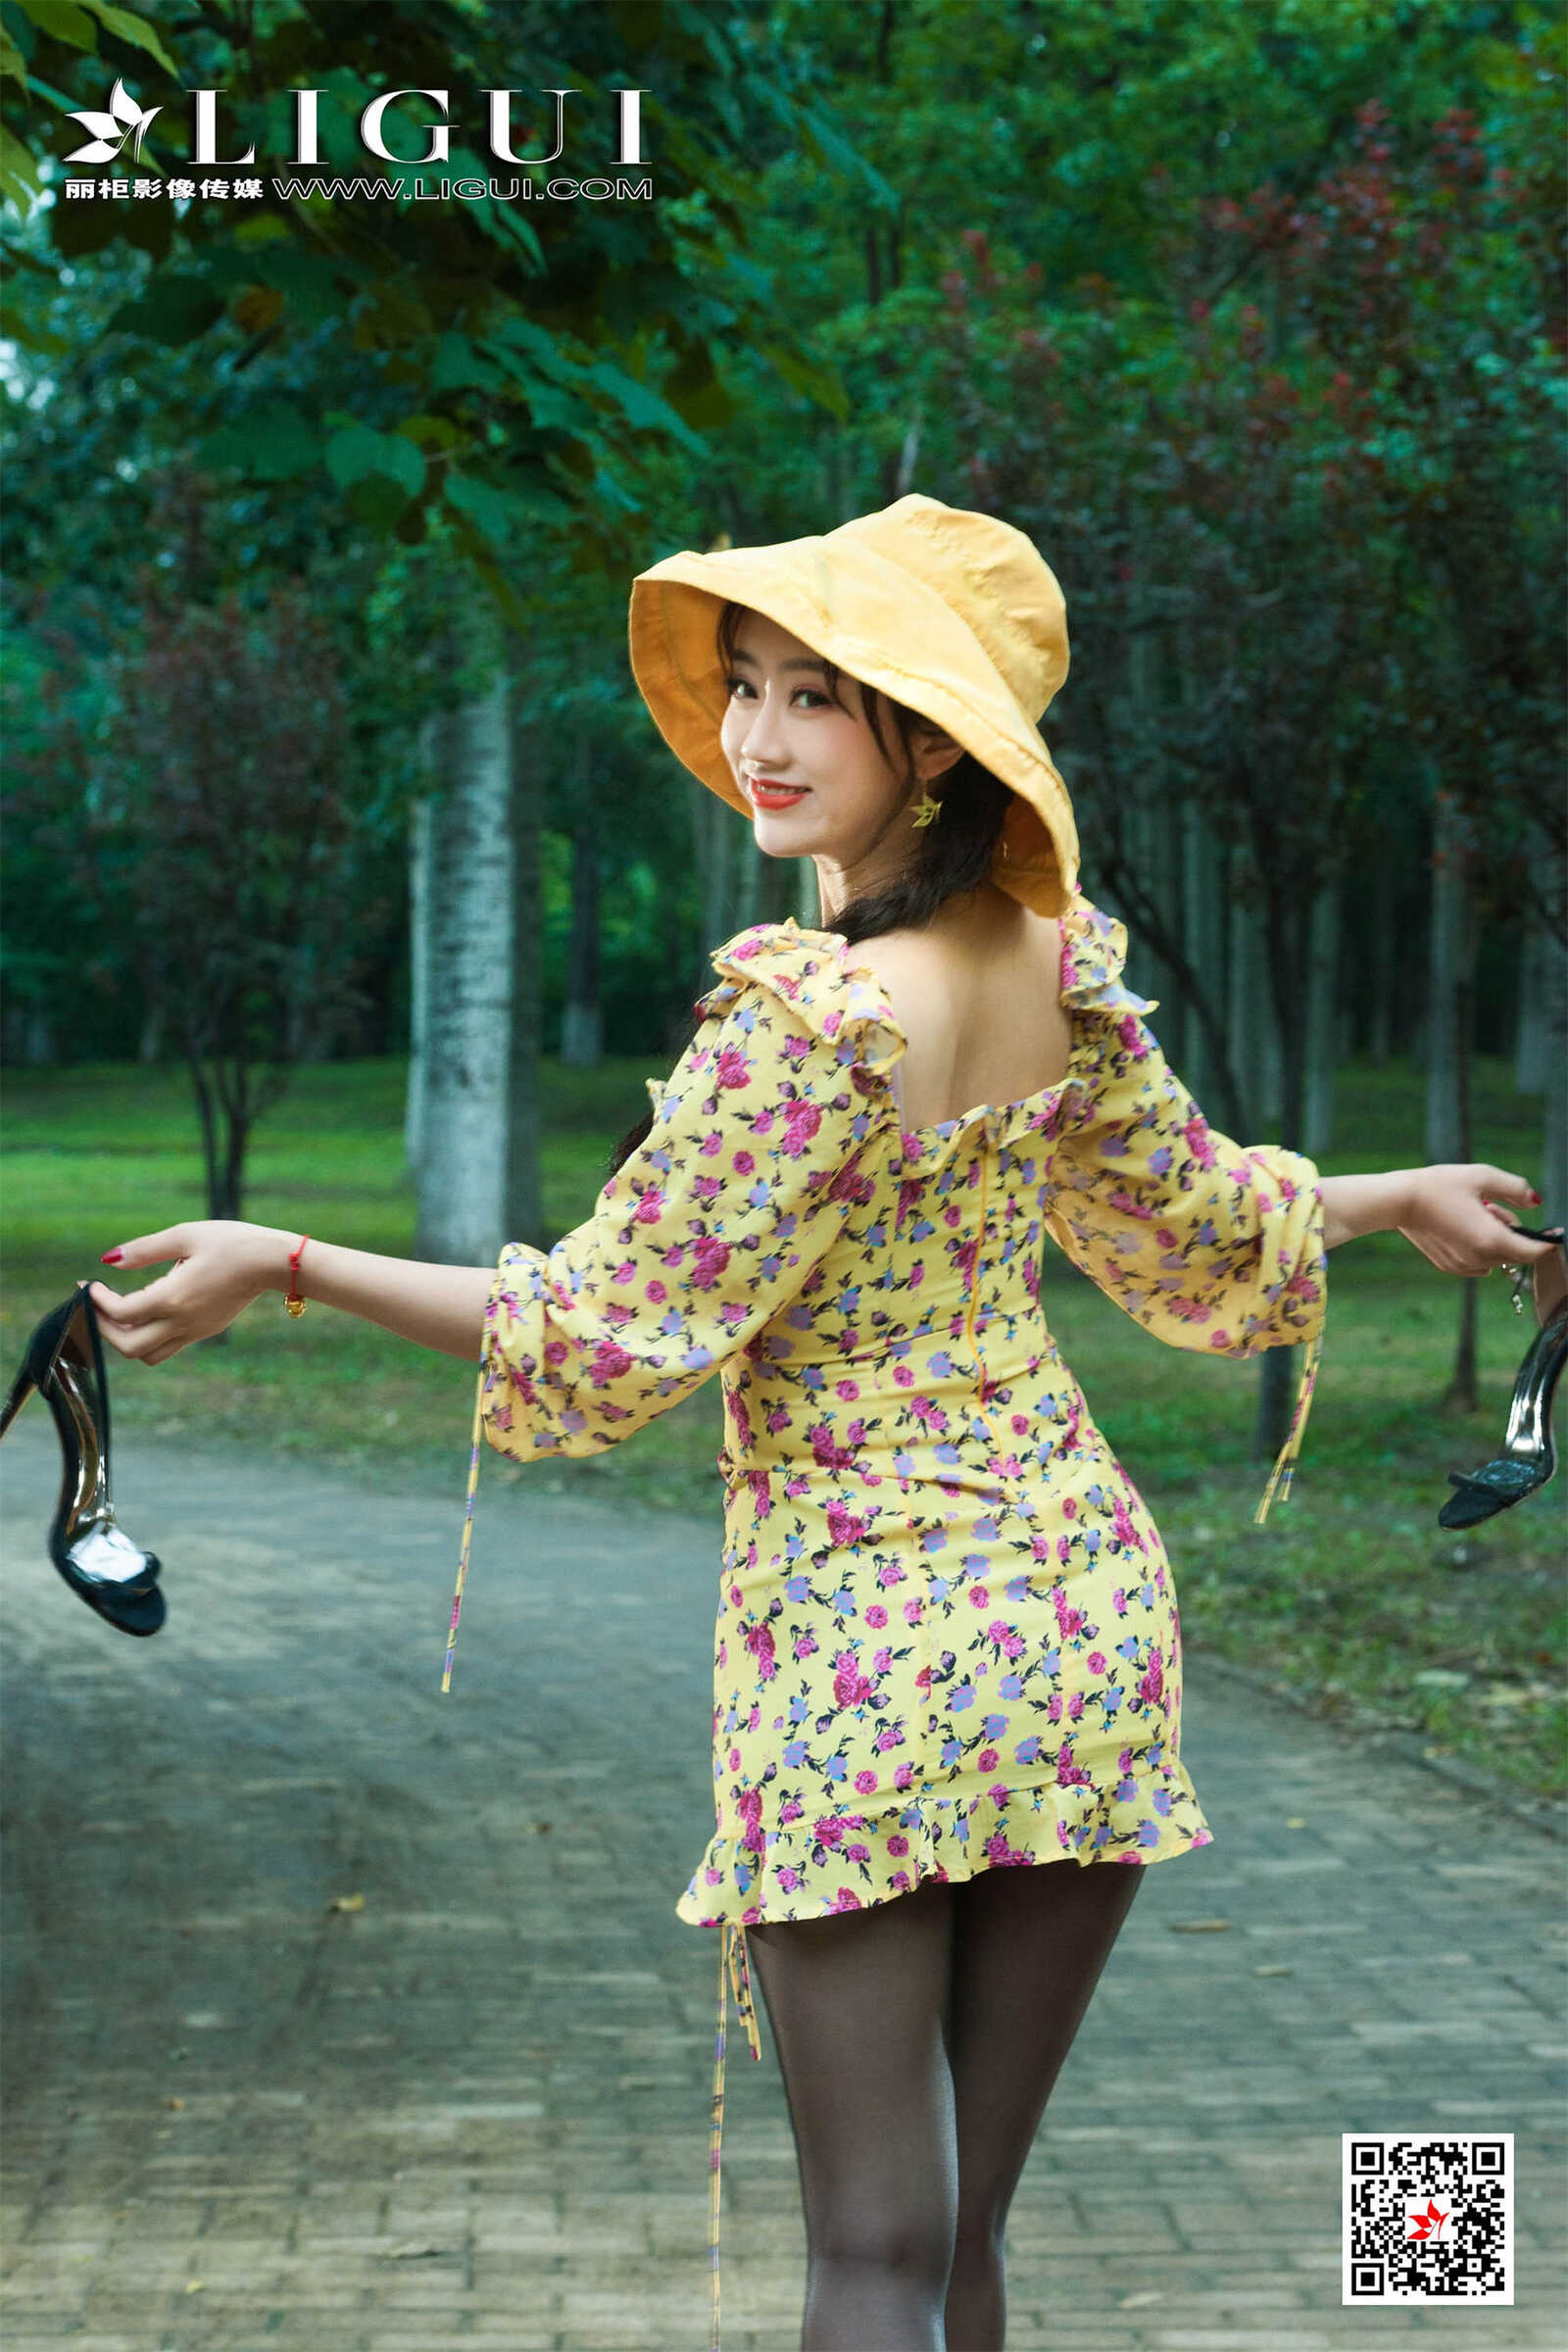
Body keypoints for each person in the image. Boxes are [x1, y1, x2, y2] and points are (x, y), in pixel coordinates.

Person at [89, 497, 1559, 2352]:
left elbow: (601, 1337)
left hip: (867, 1641)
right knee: (957, 2244)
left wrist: (288, 1259)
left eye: (814, 699)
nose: (755, 739)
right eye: (747, 688)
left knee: (871, 2254)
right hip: (1076, 1620)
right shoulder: (1051, 961)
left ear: (930, 743)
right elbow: (1193, 1228)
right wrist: (1394, 1189)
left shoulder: (808, 1023)